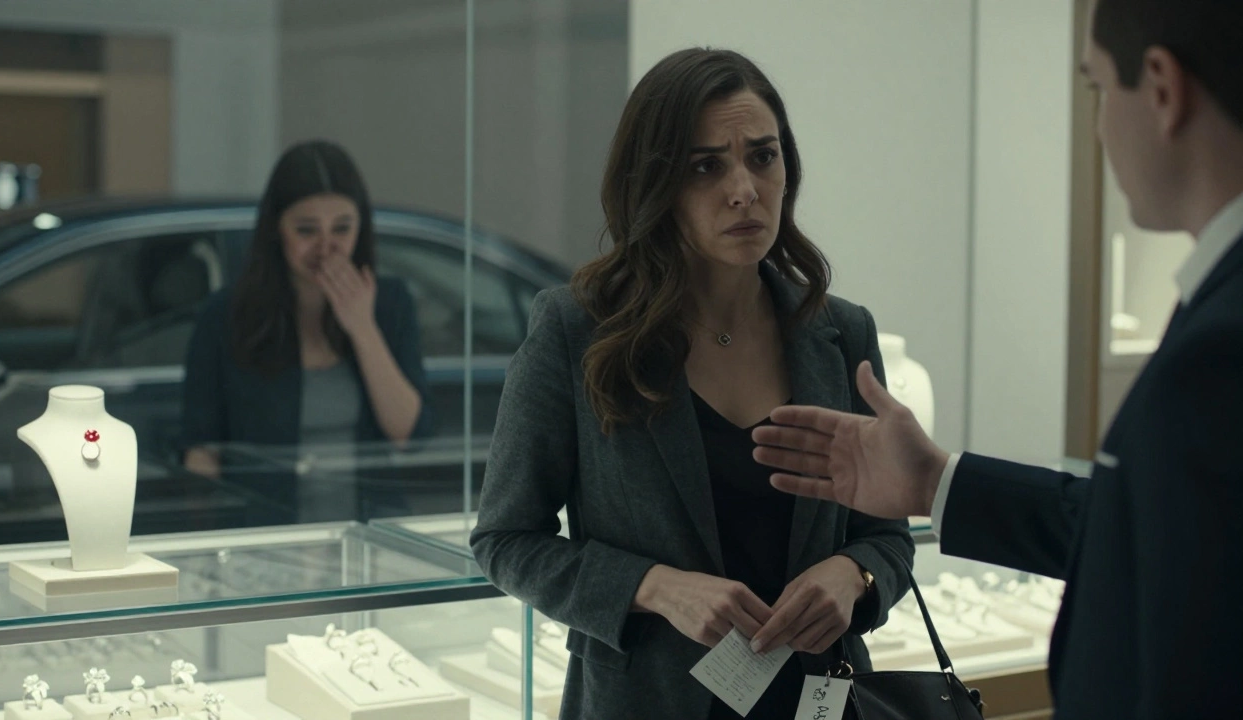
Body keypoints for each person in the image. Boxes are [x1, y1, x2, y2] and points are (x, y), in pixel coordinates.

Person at [751, 0, 1243, 716]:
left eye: (1099, 88)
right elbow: (1134, 528)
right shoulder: (1215, 305)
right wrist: (936, 481)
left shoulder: (1222, 344)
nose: (1101, 127)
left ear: (1163, 89)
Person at [470, 48, 913, 719]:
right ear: (656, 185)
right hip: (647, 700)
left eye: (762, 157)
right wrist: (652, 586)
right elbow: (505, 540)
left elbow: (888, 535)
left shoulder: (841, 334)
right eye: (706, 166)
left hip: (816, 701)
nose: (743, 189)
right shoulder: (577, 330)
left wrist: (853, 576)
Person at [181, 140, 433, 521]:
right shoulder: (226, 314)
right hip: (266, 534)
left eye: (342, 228)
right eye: (306, 230)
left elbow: (408, 434)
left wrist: (362, 327)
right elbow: (201, 449)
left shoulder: (389, 302)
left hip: (368, 532)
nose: (326, 246)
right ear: (277, 230)